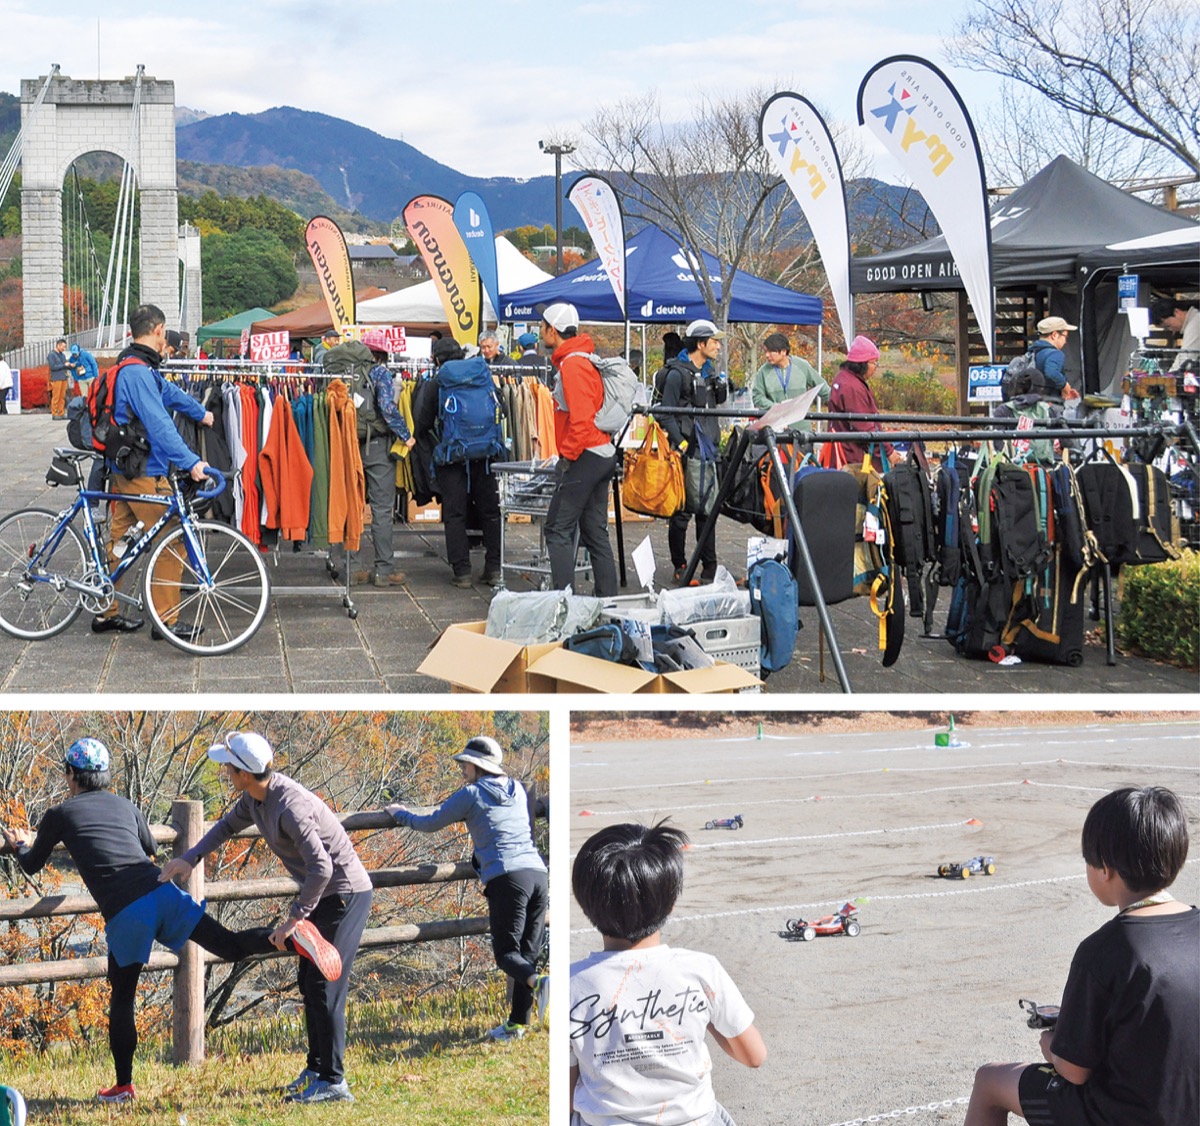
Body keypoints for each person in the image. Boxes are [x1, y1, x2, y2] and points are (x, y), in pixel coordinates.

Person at [1, 737, 342, 1106]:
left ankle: (123, 1086)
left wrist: (20, 843)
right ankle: (291, 940)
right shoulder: (124, 805)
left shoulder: (60, 815)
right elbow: (150, 847)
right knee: (226, 945)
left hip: (127, 911)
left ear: (71, 774)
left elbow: (33, 862)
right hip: (162, 891)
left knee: (123, 997)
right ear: (104, 775)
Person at [161, 732, 374, 1105]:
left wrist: (295, 917)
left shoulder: (288, 806)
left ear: (244, 772)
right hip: (321, 895)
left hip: (344, 895)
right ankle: (317, 1069)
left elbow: (322, 867)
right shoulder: (255, 798)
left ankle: (335, 1082)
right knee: (308, 982)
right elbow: (225, 827)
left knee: (326, 986)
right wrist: (190, 857)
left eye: (228, 764)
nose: (224, 769)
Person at [964, 785, 1196, 1126]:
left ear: (1105, 869)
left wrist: (1054, 1047)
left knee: (990, 1081)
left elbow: (1074, 1072)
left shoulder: (1104, 950)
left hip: (1123, 1114)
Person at [570, 820, 767, 1126]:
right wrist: (706, 1018)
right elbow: (754, 1055)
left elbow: (568, 1093)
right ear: (671, 902)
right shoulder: (701, 971)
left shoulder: (571, 986)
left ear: (585, 904)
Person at [385, 736, 548, 1043]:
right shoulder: (515, 789)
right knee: (527, 953)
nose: (461, 769)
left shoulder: (471, 793)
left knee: (506, 955)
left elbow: (431, 823)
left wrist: (400, 813)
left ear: (476, 766)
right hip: (537, 874)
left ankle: (538, 983)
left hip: (507, 877)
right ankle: (517, 1024)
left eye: (464, 764)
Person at [91, 304, 214, 640]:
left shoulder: (135, 364)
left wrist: (200, 412)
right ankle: (167, 622)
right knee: (171, 540)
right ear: (159, 330)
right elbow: (160, 425)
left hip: (125, 469)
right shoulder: (139, 373)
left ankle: (105, 612)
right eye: (165, 333)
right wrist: (192, 462)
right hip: (144, 470)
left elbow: (169, 393)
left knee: (119, 542)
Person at [539, 301, 618, 596]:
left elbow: (581, 420)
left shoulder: (572, 363)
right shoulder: (583, 358)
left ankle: (564, 603)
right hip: (601, 452)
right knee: (594, 531)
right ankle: (607, 601)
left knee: (557, 530)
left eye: (542, 325)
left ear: (553, 330)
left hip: (585, 455)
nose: (540, 330)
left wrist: (567, 458)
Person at [325, 333, 413, 588]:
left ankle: (353, 567)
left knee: (349, 505)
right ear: (380, 355)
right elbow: (387, 407)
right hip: (376, 447)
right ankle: (384, 570)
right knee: (382, 509)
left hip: (344, 445)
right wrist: (405, 435)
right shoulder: (379, 374)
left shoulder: (336, 371)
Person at [416, 337, 504, 587]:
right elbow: (502, 407)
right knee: (490, 511)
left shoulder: (438, 381)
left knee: (455, 514)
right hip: (485, 453)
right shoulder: (481, 375)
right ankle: (494, 567)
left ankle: (462, 572)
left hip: (453, 455)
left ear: (436, 359)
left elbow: (423, 422)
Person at [659, 319, 729, 584]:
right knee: (683, 512)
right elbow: (665, 415)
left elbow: (717, 403)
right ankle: (680, 564)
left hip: (710, 451)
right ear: (700, 344)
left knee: (708, 511)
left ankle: (709, 566)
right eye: (714, 342)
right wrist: (682, 443)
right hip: (689, 452)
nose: (719, 347)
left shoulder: (709, 373)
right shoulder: (677, 374)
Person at [827, 334, 904, 471]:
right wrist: (889, 452)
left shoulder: (843, 378)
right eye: (874, 362)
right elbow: (865, 427)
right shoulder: (852, 387)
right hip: (853, 459)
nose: (875, 367)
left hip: (843, 453)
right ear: (863, 363)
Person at [749, 331, 829, 427]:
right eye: (766, 351)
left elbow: (823, 388)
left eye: (770, 351)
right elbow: (757, 397)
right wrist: (775, 407)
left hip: (801, 429)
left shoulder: (802, 366)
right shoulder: (763, 371)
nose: (767, 355)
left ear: (783, 351)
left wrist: (839, 406)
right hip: (775, 428)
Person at [1150, 296, 1200, 372]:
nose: (1171, 330)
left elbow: (1187, 357)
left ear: (1176, 312)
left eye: (1168, 325)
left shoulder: (1196, 322)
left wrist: (1170, 377)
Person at [47, 339, 70, 419]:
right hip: (56, 378)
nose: (64, 349)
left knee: (62, 396)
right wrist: (64, 365)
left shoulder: (62, 355)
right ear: (58, 345)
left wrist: (69, 365)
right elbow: (53, 367)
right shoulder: (52, 355)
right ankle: (54, 413)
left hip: (63, 377)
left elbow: (65, 364)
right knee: (56, 396)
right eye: (63, 347)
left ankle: (61, 412)